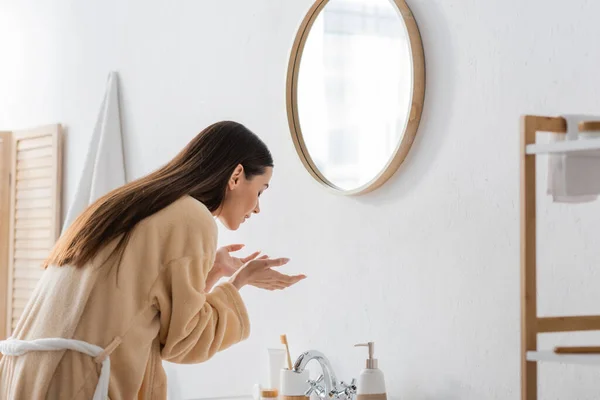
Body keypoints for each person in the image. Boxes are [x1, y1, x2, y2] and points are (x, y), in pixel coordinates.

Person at [0, 121, 306, 399]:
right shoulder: (193, 218)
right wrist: (238, 283)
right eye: (261, 191)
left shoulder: (138, 201)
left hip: (30, 376)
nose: (257, 208)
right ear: (237, 176)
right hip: (81, 382)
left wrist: (212, 272)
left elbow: (152, 315)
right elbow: (185, 342)